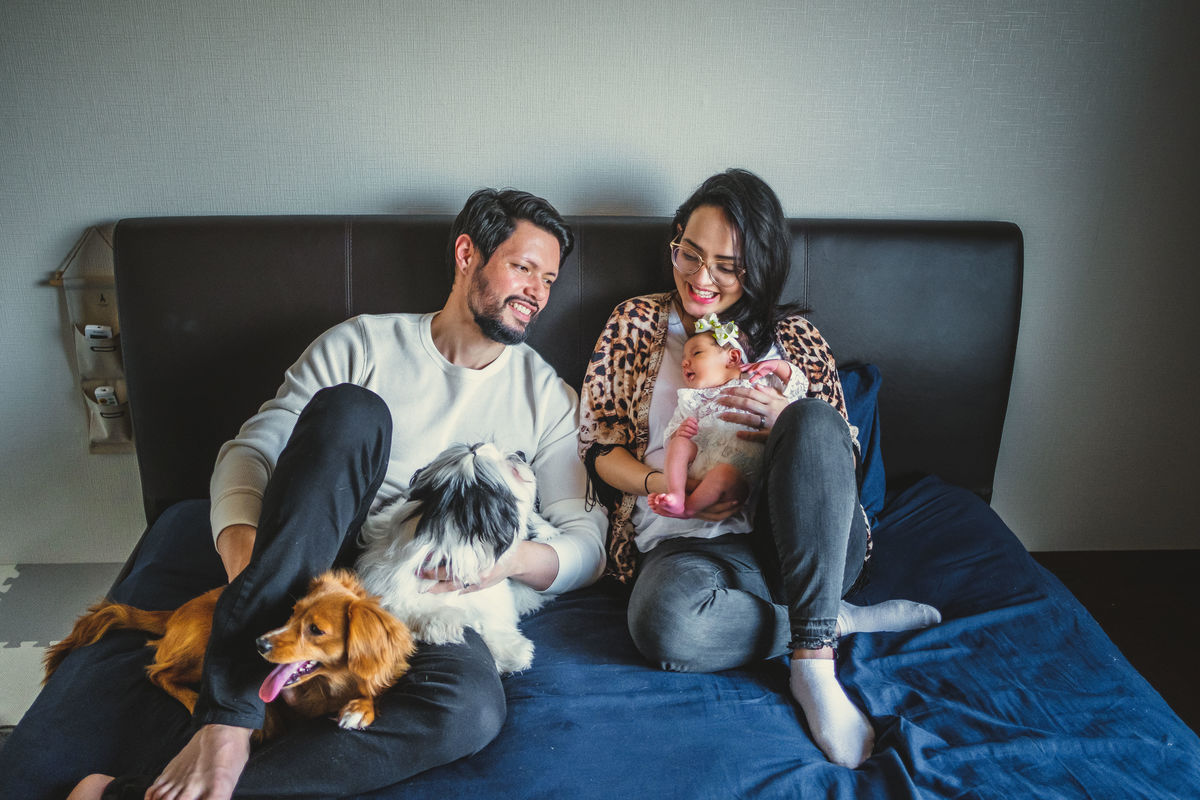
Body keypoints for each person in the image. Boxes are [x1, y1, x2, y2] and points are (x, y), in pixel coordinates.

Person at [4, 188, 607, 800]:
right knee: (353, 411)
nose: (537, 290)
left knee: (471, 711)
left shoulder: (545, 397)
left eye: (549, 279)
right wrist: (250, 566)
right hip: (315, 556)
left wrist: (499, 565)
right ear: (466, 254)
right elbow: (251, 453)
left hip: (432, 598)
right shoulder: (364, 345)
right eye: (523, 267)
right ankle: (229, 716)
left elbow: (587, 537)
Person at [578, 168, 940, 769]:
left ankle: (813, 662)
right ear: (675, 240)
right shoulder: (636, 323)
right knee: (663, 625)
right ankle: (829, 618)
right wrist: (670, 488)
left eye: (727, 265)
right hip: (691, 546)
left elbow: (835, 456)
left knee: (811, 419)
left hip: (807, 537)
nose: (701, 277)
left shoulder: (796, 338)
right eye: (690, 254)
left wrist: (787, 416)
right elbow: (599, 447)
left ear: (760, 267)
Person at [646, 313, 803, 521]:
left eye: (697, 353)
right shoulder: (691, 398)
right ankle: (676, 494)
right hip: (702, 461)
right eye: (683, 359)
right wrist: (679, 432)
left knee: (724, 474)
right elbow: (672, 433)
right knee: (679, 444)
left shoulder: (757, 385)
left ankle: (690, 509)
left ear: (733, 358)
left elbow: (798, 388)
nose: (685, 363)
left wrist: (777, 366)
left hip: (739, 475)